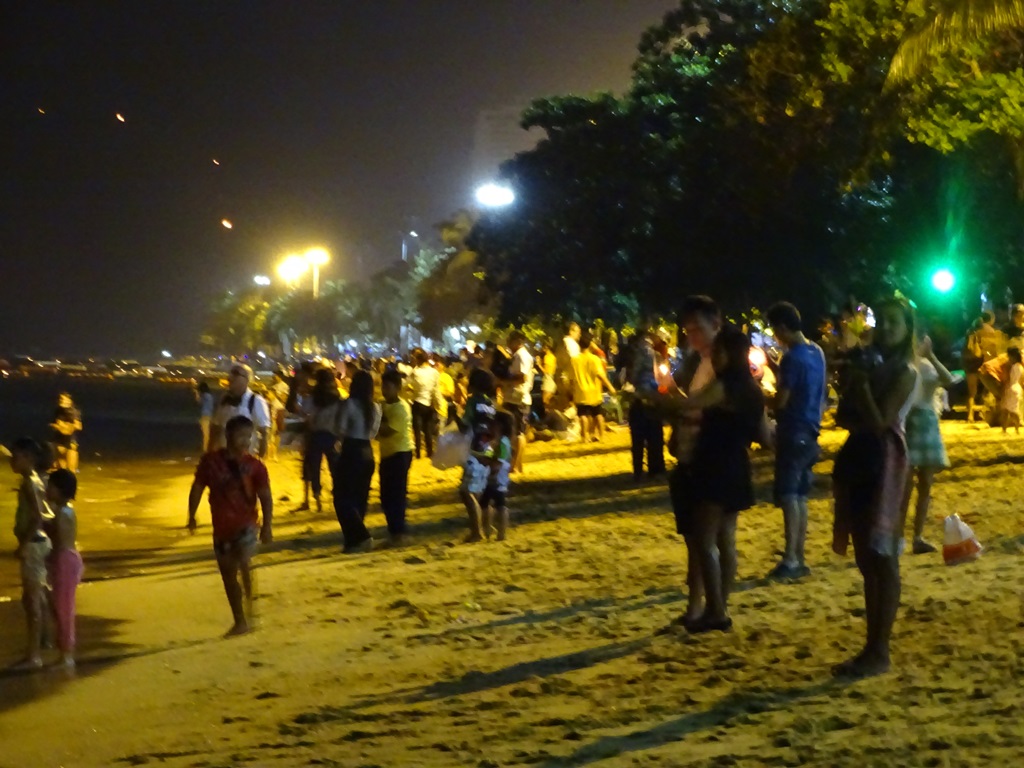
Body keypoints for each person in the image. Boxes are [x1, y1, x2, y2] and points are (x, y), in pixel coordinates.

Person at [832, 296, 919, 678]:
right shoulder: (870, 364)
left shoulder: (905, 371)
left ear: (907, 329)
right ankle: (870, 647)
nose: (885, 327)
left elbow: (881, 422)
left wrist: (862, 387)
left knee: (884, 557)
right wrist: (858, 389)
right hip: (859, 458)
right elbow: (844, 416)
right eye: (880, 320)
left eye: (893, 322)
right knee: (866, 558)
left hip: (886, 462)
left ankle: (880, 649)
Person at [671, 325, 767, 633]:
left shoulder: (726, 384)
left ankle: (716, 611)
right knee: (726, 540)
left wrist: (659, 399)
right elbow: (765, 436)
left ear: (728, 353)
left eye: (718, 351)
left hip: (715, 463)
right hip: (737, 463)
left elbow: (691, 404)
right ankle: (720, 605)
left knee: (704, 540)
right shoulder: (752, 388)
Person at [188, 415, 273, 636]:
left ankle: (251, 607)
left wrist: (267, 526)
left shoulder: (256, 467)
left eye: (249, 435)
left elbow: (265, 497)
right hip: (222, 527)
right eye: (241, 435)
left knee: (245, 561)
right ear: (228, 436)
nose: (246, 440)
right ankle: (240, 620)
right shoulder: (211, 462)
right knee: (228, 575)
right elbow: (197, 488)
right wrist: (192, 515)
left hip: (246, 524)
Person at [665, 296, 721, 625]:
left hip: (707, 456)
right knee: (695, 537)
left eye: (697, 329)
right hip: (691, 455)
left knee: (707, 538)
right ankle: (698, 605)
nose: (692, 337)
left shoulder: (718, 364)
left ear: (716, 323)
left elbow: (705, 409)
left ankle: (712, 608)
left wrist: (676, 407)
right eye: (687, 330)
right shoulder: (699, 362)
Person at [765, 302, 827, 580]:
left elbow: (782, 401)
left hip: (794, 429)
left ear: (782, 328)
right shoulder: (818, 352)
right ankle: (798, 555)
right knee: (800, 496)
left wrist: (763, 397)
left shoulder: (792, 358)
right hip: (812, 429)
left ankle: (790, 558)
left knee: (789, 496)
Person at [901, 335, 954, 554]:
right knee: (923, 485)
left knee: (908, 485)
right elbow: (949, 380)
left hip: (910, 421)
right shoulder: (922, 365)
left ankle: (902, 536)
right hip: (925, 422)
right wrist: (931, 355)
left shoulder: (907, 364)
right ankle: (916, 536)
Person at [9, 438, 53, 669]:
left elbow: (37, 516)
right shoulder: (33, 481)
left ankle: (33, 656)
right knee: (36, 595)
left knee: (31, 600)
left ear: (29, 458)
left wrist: (23, 544)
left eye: (16, 457)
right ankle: (44, 639)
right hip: (38, 543)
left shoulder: (29, 483)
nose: (11, 462)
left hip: (33, 544)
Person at [331, 370, 381, 553]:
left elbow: (341, 429)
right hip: (367, 451)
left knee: (342, 497)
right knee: (360, 498)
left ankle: (361, 536)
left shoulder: (349, 404)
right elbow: (373, 433)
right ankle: (353, 541)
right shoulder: (375, 407)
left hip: (351, 450)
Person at [44, 468, 84, 669]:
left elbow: (57, 539)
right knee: (61, 606)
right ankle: (64, 650)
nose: (46, 489)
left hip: (65, 561)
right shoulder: (66, 510)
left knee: (63, 608)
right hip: (69, 559)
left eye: (50, 486)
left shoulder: (62, 513)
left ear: (59, 490)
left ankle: (66, 655)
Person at [458, 367, 498, 543]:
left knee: (466, 492)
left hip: (474, 450)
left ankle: (477, 532)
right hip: (487, 450)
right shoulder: (490, 403)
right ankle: (488, 528)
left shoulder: (473, 402)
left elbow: (465, 426)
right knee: (482, 493)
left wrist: (454, 416)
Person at [377, 369, 413, 545]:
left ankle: (400, 533)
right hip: (387, 454)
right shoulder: (382, 405)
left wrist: (374, 424)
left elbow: (386, 431)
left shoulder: (401, 408)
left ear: (398, 387)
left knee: (397, 495)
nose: (384, 389)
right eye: (383, 385)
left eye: (388, 386)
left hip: (400, 453)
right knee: (385, 496)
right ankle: (394, 532)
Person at [624, 332, 666, 482]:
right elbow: (664, 379)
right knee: (655, 436)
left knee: (638, 439)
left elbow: (633, 377)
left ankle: (638, 470)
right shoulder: (656, 356)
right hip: (652, 399)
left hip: (640, 398)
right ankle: (656, 468)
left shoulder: (636, 356)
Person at [209, 363, 272, 459]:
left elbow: (264, 433)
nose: (230, 377)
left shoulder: (256, 401)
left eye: (236, 373)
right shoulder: (225, 400)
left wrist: (260, 460)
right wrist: (209, 455)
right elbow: (215, 429)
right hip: (223, 461)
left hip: (245, 461)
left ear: (247, 379)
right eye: (230, 373)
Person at [303, 367, 343, 513]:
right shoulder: (338, 396)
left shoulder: (313, 397)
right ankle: (336, 497)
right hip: (333, 436)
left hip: (315, 436)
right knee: (335, 469)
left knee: (315, 469)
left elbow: (305, 412)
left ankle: (317, 497)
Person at [497, 330, 533, 474]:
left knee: (518, 434)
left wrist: (503, 381)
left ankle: (516, 466)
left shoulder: (521, 356)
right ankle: (517, 465)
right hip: (517, 398)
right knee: (517, 433)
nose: (507, 343)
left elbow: (522, 377)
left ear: (517, 341)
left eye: (509, 340)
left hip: (518, 399)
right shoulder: (519, 355)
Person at [572, 331, 617, 442]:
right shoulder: (595, 359)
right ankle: (601, 436)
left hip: (581, 391)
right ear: (589, 344)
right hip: (595, 391)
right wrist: (610, 386)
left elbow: (571, 378)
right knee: (598, 414)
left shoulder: (574, 360)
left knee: (583, 415)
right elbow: (601, 375)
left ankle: (585, 437)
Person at [479, 410, 514, 541]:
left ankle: (502, 532)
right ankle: (488, 529)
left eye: (492, 424)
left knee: (500, 505)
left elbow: (501, 460)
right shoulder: (493, 441)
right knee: (485, 504)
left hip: (498, 478)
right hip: (489, 478)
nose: (490, 426)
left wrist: (491, 464)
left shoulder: (504, 442)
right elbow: (488, 456)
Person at [963, 311, 1003, 423]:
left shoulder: (971, 330)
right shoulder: (991, 332)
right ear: (991, 320)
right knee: (988, 390)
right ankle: (983, 413)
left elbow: (965, 348)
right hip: (984, 364)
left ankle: (970, 415)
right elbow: (994, 350)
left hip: (971, 363)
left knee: (972, 392)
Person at [408, 349, 440, 459]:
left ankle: (417, 454)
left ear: (417, 359)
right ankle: (429, 452)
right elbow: (436, 390)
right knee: (428, 430)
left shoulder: (415, 372)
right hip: (429, 404)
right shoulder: (434, 372)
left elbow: (407, 384)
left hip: (417, 403)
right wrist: (438, 404)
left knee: (417, 430)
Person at [50, 392, 83, 472]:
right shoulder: (58, 411)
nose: (61, 400)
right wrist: (57, 426)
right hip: (59, 441)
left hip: (70, 441)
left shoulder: (73, 412)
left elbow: (79, 426)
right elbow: (54, 423)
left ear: (69, 401)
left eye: (63, 399)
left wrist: (66, 427)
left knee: (71, 469)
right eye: (60, 399)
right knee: (59, 468)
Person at [554, 322, 582, 407]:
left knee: (563, 404)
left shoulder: (562, 343)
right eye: (578, 332)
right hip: (569, 379)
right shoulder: (572, 344)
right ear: (571, 331)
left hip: (560, 377)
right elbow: (575, 362)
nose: (579, 335)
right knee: (572, 405)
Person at [1001, 346, 1023, 433]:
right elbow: (1021, 380)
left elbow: (1007, 379)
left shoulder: (1011, 367)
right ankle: (1014, 428)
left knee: (1009, 411)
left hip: (1011, 388)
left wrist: (1003, 389)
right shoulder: (1020, 367)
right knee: (1012, 409)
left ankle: (1009, 429)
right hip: (1018, 388)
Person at [195, 381, 216, 453]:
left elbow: (199, 401)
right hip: (209, 415)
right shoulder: (210, 396)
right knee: (208, 433)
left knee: (205, 434)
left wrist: (196, 393)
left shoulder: (205, 396)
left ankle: (206, 449)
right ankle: (207, 448)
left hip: (205, 416)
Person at [538, 339, 558, 410]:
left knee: (545, 402)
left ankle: (549, 418)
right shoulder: (553, 357)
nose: (542, 348)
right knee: (549, 403)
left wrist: (539, 364)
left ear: (546, 347)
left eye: (543, 347)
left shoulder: (547, 357)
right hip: (552, 380)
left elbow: (546, 371)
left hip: (548, 380)